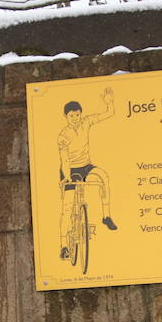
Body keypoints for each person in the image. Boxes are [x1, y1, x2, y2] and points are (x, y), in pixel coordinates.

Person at [57, 86, 118, 259]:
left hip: (86, 166)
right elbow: (64, 160)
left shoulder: (86, 122)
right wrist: (67, 178)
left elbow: (108, 114)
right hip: (70, 170)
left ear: (81, 114)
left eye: (77, 115)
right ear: (66, 117)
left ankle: (106, 216)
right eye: (71, 116)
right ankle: (63, 246)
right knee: (67, 208)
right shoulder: (63, 135)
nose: (75, 119)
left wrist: (109, 103)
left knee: (103, 177)